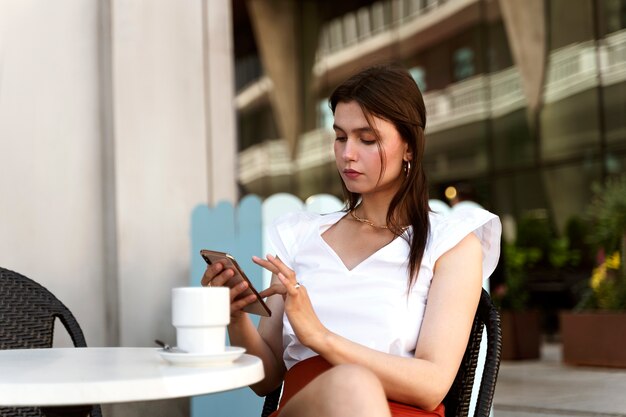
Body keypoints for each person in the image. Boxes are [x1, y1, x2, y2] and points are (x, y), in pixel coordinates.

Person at [202, 64, 501, 417]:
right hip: (308, 408)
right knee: (349, 385)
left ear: (409, 147)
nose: (347, 154)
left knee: (352, 384)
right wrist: (236, 317)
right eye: (341, 137)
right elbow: (266, 380)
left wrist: (319, 337)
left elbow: (432, 385)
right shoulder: (300, 235)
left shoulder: (451, 243)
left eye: (367, 139)